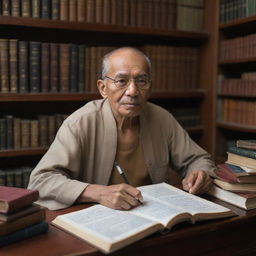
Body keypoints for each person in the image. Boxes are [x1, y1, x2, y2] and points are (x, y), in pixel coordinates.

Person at [28, 47, 214, 211]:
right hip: (97, 220)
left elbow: (199, 159)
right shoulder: (81, 122)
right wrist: (97, 193)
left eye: (141, 81)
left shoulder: (161, 118)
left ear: (150, 88)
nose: (132, 91)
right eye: (121, 81)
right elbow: (41, 181)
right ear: (103, 88)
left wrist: (200, 173)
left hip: (154, 215)